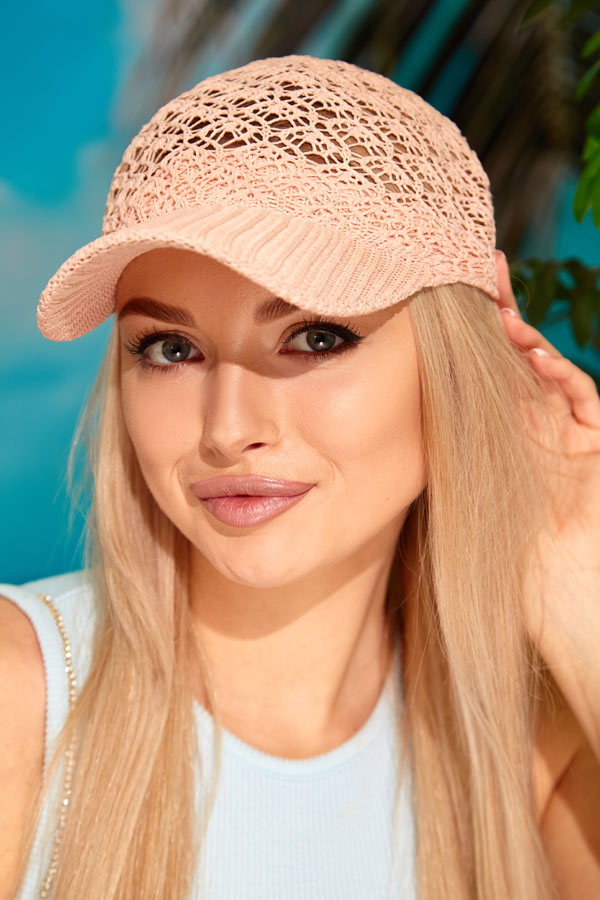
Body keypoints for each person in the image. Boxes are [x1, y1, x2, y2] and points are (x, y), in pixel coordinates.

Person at [1, 54, 599, 900]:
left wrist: (575, 568)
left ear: (457, 367)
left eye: (317, 337)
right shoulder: (20, 692)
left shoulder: (536, 748)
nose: (227, 430)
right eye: (170, 348)